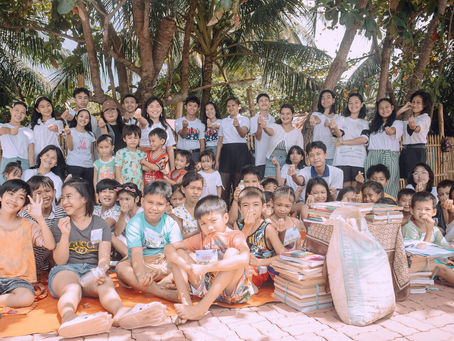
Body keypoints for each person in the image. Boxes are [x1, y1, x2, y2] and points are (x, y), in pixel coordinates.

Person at [49, 178, 160, 338]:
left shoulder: (100, 224)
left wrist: (100, 271)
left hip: (91, 271)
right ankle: (69, 319)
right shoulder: (60, 224)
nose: (64, 201)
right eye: (63, 197)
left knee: (106, 284)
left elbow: (103, 259)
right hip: (65, 270)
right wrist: (65, 234)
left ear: (84, 199)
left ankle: (121, 313)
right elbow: (60, 261)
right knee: (72, 288)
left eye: (69, 196)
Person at [164, 195, 253, 323]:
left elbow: (244, 258)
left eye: (213, 221)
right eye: (203, 223)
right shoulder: (201, 237)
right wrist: (186, 265)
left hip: (231, 292)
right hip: (206, 288)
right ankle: (187, 306)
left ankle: (201, 309)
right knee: (179, 253)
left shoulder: (235, 235)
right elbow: (169, 248)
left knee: (233, 253)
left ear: (225, 218)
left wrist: (205, 268)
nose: (209, 227)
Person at [116, 181, 182, 301]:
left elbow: (176, 252)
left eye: (160, 204)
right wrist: (142, 275)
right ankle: (163, 293)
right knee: (121, 268)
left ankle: (163, 283)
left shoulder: (171, 224)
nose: (154, 208)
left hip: (165, 263)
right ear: (142, 202)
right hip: (142, 262)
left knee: (187, 259)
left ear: (167, 205)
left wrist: (166, 273)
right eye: (150, 202)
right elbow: (136, 255)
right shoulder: (134, 223)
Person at [0, 179, 55, 308]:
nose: (14, 200)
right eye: (11, 194)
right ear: (1, 196)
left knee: (26, 298)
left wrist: (39, 218)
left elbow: (50, 245)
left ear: (24, 205)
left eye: (20, 197)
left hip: (19, 280)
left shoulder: (28, 224)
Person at [235, 187, 285, 288]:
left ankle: (247, 288)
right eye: (245, 205)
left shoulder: (267, 228)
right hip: (240, 264)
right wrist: (247, 227)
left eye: (256, 205)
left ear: (263, 207)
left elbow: (284, 256)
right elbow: (234, 249)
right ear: (240, 209)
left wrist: (260, 262)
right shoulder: (238, 225)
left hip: (259, 268)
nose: (251, 209)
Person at [21, 175, 66, 272]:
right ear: (30, 197)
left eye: (47, 191)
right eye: (38, 193)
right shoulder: (26, 216)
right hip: (26, 267)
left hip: (48, 266)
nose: (44, 196)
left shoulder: (61, 212)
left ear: (54, 192)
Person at [216, 97, 251, 204]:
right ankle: (223, 212)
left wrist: (237, 126)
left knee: (239, 186)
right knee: (224, 186)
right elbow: (220, 142)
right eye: (228, 106)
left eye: (233, 105)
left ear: (239, 107)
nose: (231, 108)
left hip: (240, 153)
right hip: (226, 154)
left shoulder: (244, 119)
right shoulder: (223, 122)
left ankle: (238, 214)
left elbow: (243, 133)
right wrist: (217, 160)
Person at [365, 98, 403, 198]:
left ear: (392, 108)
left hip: (389, 155)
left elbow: (393, 131)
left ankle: (388, 207)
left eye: (387, 107)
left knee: (388, 184)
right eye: (381, 108)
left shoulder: (397, 123)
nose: (384, 110)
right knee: (370, 183)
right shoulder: (373, 125)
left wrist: (390, 130)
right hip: (372, 155)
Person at [331, 93, 369, 187]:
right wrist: (335, 128)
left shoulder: (364, 123)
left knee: (357, 188)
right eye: (350, 103)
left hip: (359, 159)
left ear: (361, 104)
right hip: (342, 159)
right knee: (344, 189)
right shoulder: (341, 119)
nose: (353, 105)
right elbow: (339, 134)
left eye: (356, 102)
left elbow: (363, 139)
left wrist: (344, 142)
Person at [398, 90, 432, 179]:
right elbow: (391, 121)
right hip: (405, 151)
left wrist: (413, 127)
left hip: (417, 152)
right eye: (413, 102)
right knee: (406, 179)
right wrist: (403, 109)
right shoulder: (408, 120)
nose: (415, 104)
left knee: (417, 179)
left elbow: (418, 128)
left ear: (424, 104)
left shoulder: (425, 118)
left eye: (418, 102)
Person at [263, 104, 304, 177]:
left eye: (288, 114)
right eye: (282, 114)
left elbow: (300, 151)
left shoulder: (297, 134)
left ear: (292, 115)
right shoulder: (274, 126)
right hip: (272, 161)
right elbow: (270, 132)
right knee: (270, 185)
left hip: (287, 164)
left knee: (283, 186)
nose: (285, 116)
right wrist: (264, 127)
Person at [136, 96, 175, 170]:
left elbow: (170, 148)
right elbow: (143, 122)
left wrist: (172, 168)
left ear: (161, 109)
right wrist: (139, 117)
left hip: (161, 161)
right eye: (151, 106)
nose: (155, 109)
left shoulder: (166, 126)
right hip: (144, 160)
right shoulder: (143, 123)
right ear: (146, 110)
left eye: (158, 106)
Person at [0, 101, 34, 183]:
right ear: (11, 110)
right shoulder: (2, 126)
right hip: (7, 161)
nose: (19, 114)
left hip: (24, 162)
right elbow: (2, 131)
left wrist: (32, 168)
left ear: (25, 115)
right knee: (4, 185)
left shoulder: (28, 131)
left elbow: (31, 151)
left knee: (24, 185)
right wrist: (10, 131)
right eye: (17, 110)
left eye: (23, 112)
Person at [64, 108, 96, 185]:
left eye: (86, 117)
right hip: (73, 165)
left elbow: (91, 152)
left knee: (87, 192)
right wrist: (68, 134)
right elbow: (70, 148)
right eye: (81, 116)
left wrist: (94, 166)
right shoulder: (70, 131)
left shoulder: (90, 135)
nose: (83, 119)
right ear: (76, 117)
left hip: (88, 167)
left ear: (89, 120)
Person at [309, 90, 338, 165]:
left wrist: (330, 126)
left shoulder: (338, 117)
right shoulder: (316, 114)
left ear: (333, 100)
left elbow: (338, 135)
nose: (325, 100)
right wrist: (314, 120)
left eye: (328, 97)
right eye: (323, 98)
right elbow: (316, 119)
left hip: (331, 154)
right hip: (316, 154)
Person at [113, 183, 143, 258]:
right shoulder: (124, 214)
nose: (124, 202)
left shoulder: (142, 212)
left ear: (136, 199)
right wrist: (123, 214)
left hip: (143, 245)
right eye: (121, 199)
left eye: (127, 199)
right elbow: (117, 233)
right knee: (112, 236)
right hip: (131, 246)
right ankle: (128, 256)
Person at [250, 93, 275, 178]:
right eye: (261, 101)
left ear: (269, 103)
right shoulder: (253, 119)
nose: (264, 103)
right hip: (260, 158)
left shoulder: (273, 119)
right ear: (257, 105)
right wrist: (259, 125)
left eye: (266, 100)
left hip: (272, 158)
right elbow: (258, 137)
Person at [172, 171, 203, 239]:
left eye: (199, 189)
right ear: (183, 189)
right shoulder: (176, 212)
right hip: (184, 248)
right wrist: (197, 232)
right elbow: (177, 238)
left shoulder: (206, 209)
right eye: (192, 188)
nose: (195, 192)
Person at [175, 96, 206, 163]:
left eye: (195, 106)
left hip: (195, 154)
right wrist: (185, 127)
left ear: (198, 108)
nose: (192, 108)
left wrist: (201, 159)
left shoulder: (201, 124)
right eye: (190, 105)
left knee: (195, 173)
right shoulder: (178, 121)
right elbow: (182, 135)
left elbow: (202, 143)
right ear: (185, 107)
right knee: (181, 173)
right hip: (181, 153)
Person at [114, 125, 145, 189]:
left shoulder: (142, 154)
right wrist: (121, 184)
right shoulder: (120, 153)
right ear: (124, 139)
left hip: (138, 186)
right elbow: (118, 170)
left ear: (139, 139)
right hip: (124, 185)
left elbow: (143, 171)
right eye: (130, 138)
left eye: (135, 138)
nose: (133, 140)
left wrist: (142, 186)